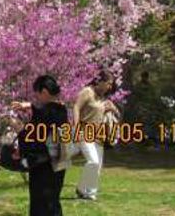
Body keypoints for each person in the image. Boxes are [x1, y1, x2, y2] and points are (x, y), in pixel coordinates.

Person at [11, 74, 70, 216]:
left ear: (44, 92)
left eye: (37, 94)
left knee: (41, 206)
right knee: (53, 203)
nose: (36, 98)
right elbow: (47, 117)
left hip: (42, 167)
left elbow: (34, 143)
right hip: (58, 165)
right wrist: (30, 106)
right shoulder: (62, 110)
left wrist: (19, 129)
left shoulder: (44, 114)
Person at [71, 70, 120, 201]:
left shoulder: (103, 98)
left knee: (97, 167)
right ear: (100, 81)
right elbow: (76, 107)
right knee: (93, 161)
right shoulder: (87, 92)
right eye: (109, 83)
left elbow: (116, 116)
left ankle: (88, 192)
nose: (110, 87)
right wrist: (75, 127)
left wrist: (113, 109)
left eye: (111, 84)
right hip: (84, 132)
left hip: (98, 136)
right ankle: (82, 190)